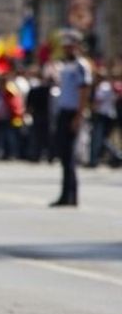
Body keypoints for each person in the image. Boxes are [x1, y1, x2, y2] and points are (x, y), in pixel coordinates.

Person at [51, 30, 92, 207]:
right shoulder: (66, 65)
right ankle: (65, 195)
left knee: (69, 157)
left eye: (69, 46)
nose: (67, 49)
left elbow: (83, 92)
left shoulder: (81, 65)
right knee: (64, 155)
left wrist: (79, 115)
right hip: (63, 111)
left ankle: (72, 196)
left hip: (72, 113)